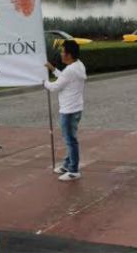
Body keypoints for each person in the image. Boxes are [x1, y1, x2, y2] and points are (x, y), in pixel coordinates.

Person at [44, 40, 86, 182]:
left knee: (70, 140)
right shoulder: (78, 65)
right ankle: (68, 165)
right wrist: (53, 69)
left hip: (69, 110)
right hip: (75, 108)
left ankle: (73, 170)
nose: (61, 54)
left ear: (68, 55)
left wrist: (43, 81)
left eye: (63, 52)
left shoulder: (70, 70)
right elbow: (65, 78)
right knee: (71, 138)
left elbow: (55, 87)